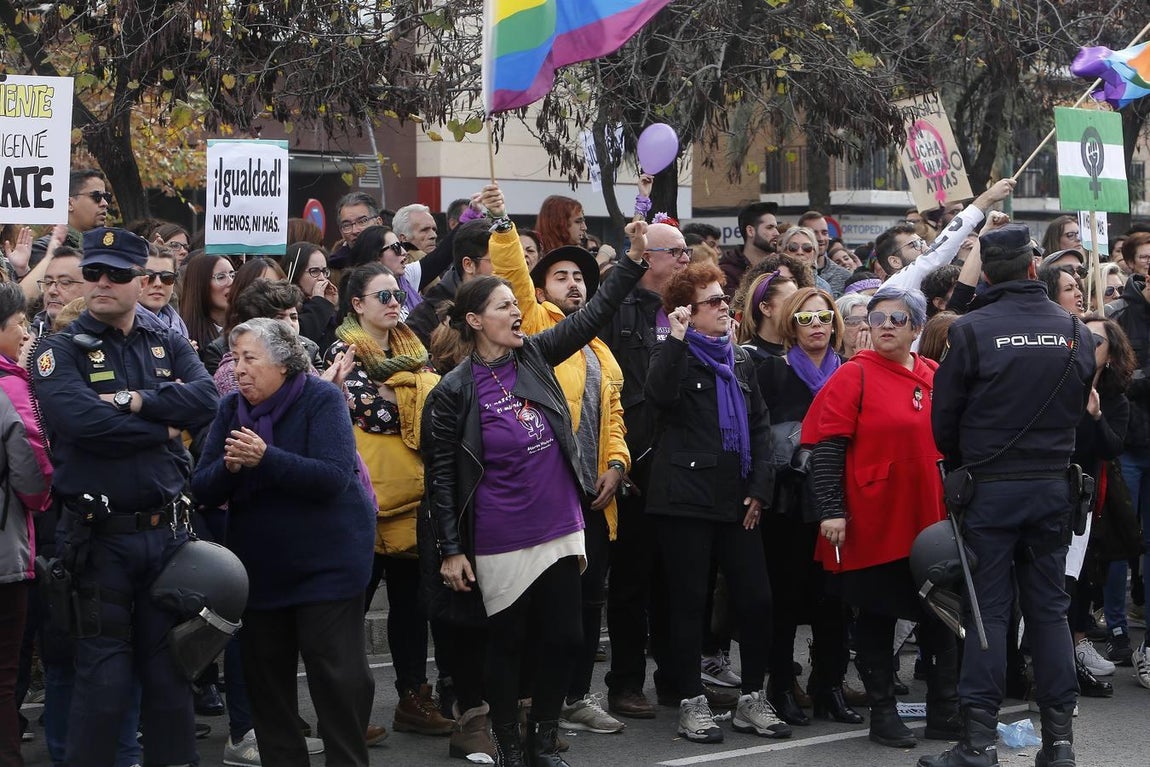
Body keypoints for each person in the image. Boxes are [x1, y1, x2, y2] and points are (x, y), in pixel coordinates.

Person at [421, 218, 648, 767]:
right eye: (503, 306)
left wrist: (634, 259)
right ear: (475, 321)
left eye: (513, 305)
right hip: (501, 534)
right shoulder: (453, 392)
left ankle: (543, 742)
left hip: (561, 525)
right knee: (508, 644)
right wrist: (451, 549)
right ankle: (508, 743)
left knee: (566, 639)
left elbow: (594, 312)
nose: (515, 313)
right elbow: (443, 480)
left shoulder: (536, 356)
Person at [32, 227, 219, 767]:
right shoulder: (58, 348)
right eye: (93, 272)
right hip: (99, 542)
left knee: (170, 680)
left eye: (116, 273)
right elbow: (82, 423)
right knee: (104, 684)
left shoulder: (167, 341)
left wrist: (135, 401)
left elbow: (206, 398)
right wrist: (164, 424)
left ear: (142, 279)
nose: (102, 283)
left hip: (166, 538)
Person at [926, 223, 1095, 767]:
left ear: (989, 273)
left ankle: (977, 746)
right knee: (1049, 613)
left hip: (990, 491)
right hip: (1051, 487)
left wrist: (968, 462)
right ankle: (1060, 746)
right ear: (1031, 269)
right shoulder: (1075, 329)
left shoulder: (971, 331)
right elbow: (1078, 406)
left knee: (988, 614)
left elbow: (943, 423)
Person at [481, 184, 630, 737]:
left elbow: (613, 411)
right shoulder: (539, 327)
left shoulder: (597, 346)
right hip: (549, 494)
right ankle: (529, 705)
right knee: (542, 611)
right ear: (541, 287)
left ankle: (573, 697)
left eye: (581, 278)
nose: (574, 284)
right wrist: (500, 224)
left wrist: (617, 464)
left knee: (589, 605)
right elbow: (513, 277)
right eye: (561, 276)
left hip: (596, 493)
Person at [191, 318, 375, 767]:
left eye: (250, 358)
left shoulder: (321, 398)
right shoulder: (231, 408)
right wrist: (232, 469)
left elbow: (333, 477)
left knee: (336, 680)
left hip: (327, 566)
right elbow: (203, 488)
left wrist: (265, 458)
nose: (240, 370)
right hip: (261, 569)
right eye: (235, 359)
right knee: (267, 686)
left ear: (284, 362)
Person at [807, 286, 960, 749]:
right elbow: (827, 448)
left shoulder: (936, 374)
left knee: (941, 615)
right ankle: (882, 713)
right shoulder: (853, 376)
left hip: (930, 516)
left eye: (897, 319)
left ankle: (943, 711)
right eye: (877, 319)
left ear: (916, 327)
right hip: (874, 516)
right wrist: (831, 510)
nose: (886, 326)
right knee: (877, 614)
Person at [644, 262, 785, 745]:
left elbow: (761, 426)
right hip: (684, 501)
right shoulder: (672, 352)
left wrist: (760, 488)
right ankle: (691, 701)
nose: (726, 307)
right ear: (686, 311)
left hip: (738, 498)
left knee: (757, 599)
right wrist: (678, 338)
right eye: (714, 301)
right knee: (688, 604)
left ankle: (752, 698)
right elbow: (658, 396)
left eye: (725, 298)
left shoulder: (740, 360)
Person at [323, 262, 457, 740]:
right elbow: (376, 414)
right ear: (357, 305)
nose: (394, 301)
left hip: (412, 500)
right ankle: (342, 711)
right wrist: (417, 388)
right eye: (382, 296)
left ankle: (413, 699)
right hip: (364, 502)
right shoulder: (343, 352)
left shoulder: (412, 350)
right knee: (350, 609)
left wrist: (407, 386)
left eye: (397, 292)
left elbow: (437, 409)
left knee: (410, 606)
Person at [753, 287, 861, 728]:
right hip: (789, 503)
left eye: (823, 318)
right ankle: (779, 685)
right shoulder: (771, 372)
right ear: (789, 326)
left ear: (835, 324)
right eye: (804, 319)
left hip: (838, 500)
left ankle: (829, 684)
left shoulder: (851, 373)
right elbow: (760, 438)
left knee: (834, 601)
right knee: (786, 597)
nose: (816, 325)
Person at [0, 282, 53, 766]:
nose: (23, 332)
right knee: (4, 676)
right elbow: (33, 478)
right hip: (5, 555)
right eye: (17, 324)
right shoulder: (12, 387)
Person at [281, 241, 339, 351]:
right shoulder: (283, 304)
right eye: (314, 271)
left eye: (324, 271)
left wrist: (331, 305)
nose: (322, 278)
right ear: (297, 272)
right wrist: (319, 304)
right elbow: (303, 337)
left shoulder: (322, 302)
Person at [179, 253, 236, 358]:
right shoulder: (183, 337)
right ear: (200, 285)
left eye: (233, 275)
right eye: (221, 277)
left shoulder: (246, 328)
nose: (231, 282)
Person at [735, 270, 798, 360]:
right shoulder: (747, 356)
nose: (797, 309)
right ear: (766, 308)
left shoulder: (798, 350)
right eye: (790, 302)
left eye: (798, 303)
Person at [137, 243, 189, 337]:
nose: (158, 284)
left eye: (167, 277)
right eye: (149, 276)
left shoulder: (179, 328)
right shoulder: (120, 326)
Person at [834, 293, 870, 358]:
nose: (865, 326)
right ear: (838, 328)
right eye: (853, 321)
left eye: (868, 319)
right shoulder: (834, 364)